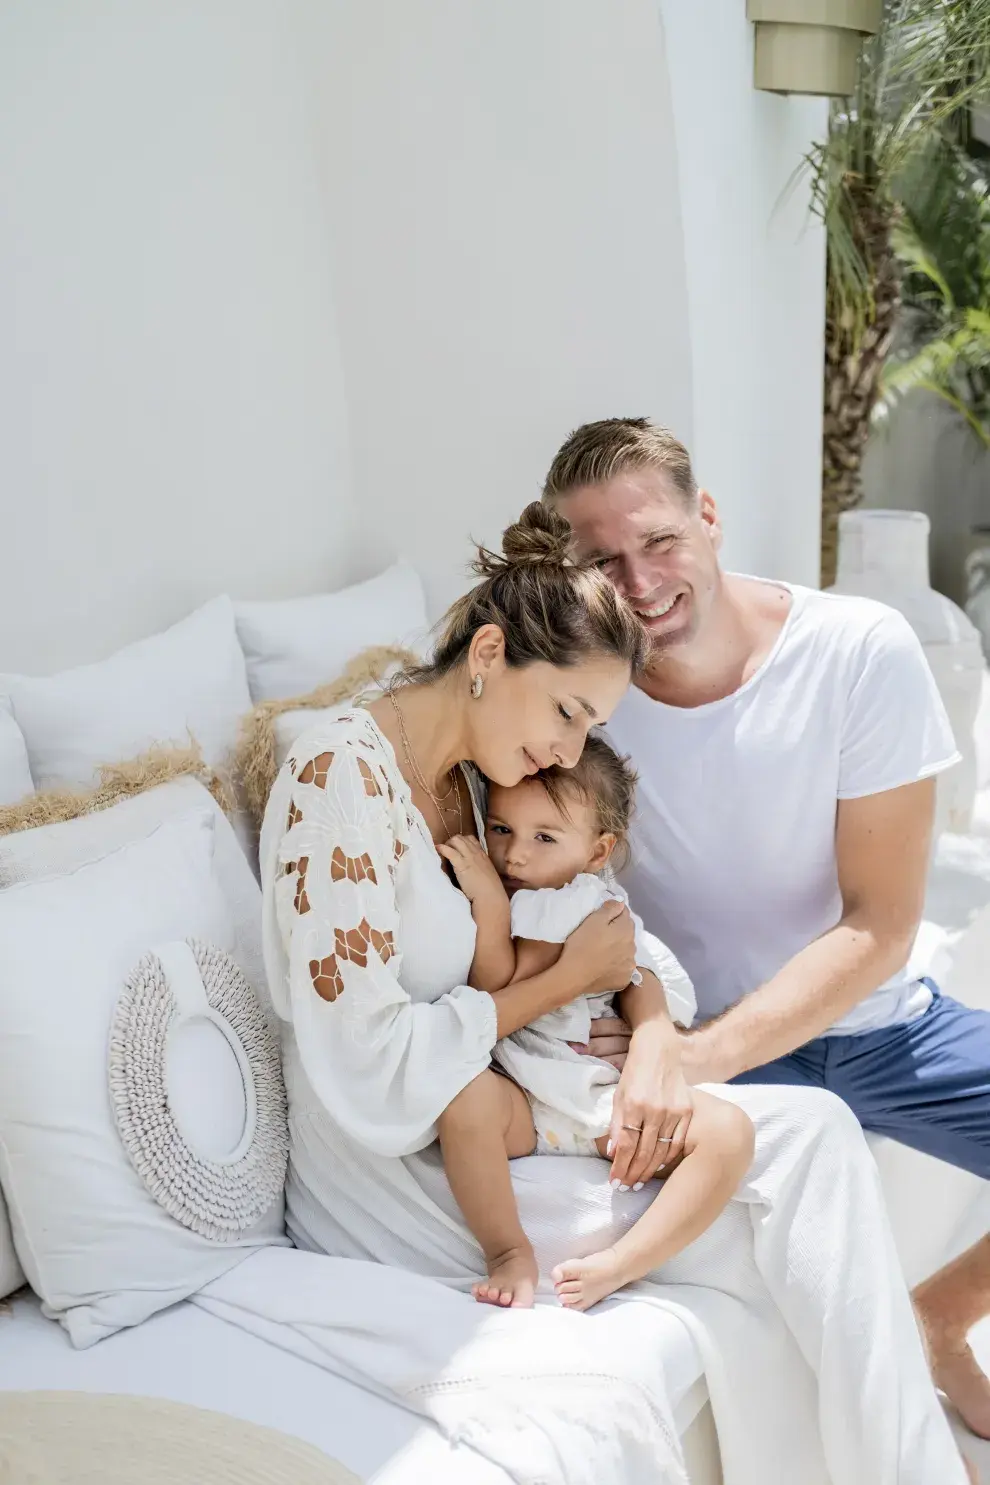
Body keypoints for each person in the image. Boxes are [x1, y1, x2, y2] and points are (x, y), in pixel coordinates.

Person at [260, 500, 971, 1482]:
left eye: (589, 726)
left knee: (814, 1137)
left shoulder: (469, 777)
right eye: (564, 713)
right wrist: (567, 980)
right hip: (404, 1169)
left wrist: (639, 1026)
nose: (565, 753)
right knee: (801, 1163)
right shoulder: (337, 777)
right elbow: (372, 1070)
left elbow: (586, 940)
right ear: (490, 652)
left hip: (511, 1116)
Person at [542, 415, 990, 1442]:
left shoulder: (857, 651)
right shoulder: (584, 702)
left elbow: (880, 926)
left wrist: (691, 1059)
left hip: (875, 1027)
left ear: (708, 517)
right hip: (725, 1054)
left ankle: (945, 1316)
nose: (641, 581)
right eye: (603, 562)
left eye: (658, 541)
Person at [437, 734, 754, 1312]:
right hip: (523, 1100)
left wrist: (487, 900)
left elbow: (496, 983)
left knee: (730, 1133)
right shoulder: (556, 891)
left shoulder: (564, 904)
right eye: (502, 829)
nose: (515, 856)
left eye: (544, 837)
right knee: (464, 1105)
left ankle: (623, 1262)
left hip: (594, 1098)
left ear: (598, 851)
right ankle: (508, 1250)